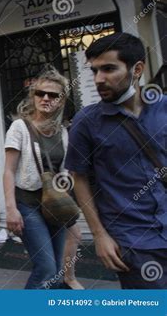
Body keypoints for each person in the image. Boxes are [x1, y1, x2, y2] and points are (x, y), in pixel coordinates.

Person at [65, 32, 166, 289]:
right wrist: (99, 235)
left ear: (137, 69)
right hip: (134, 241)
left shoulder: (163, 108)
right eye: (95, 71)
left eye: (109, 69)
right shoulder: (86, 122)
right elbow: (79, 178)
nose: (99, 79)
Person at [3, 66, 70, 289]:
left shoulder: (62, 131)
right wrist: (11, 209)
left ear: (61, 101)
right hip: (28, 205)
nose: (46, 98)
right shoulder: (19, 127)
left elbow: (65, 172)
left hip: (55, 206)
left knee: (57, 271)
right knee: (46, 268)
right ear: (33, 96)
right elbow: (9, 170)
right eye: (40, 93)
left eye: (53, 95)